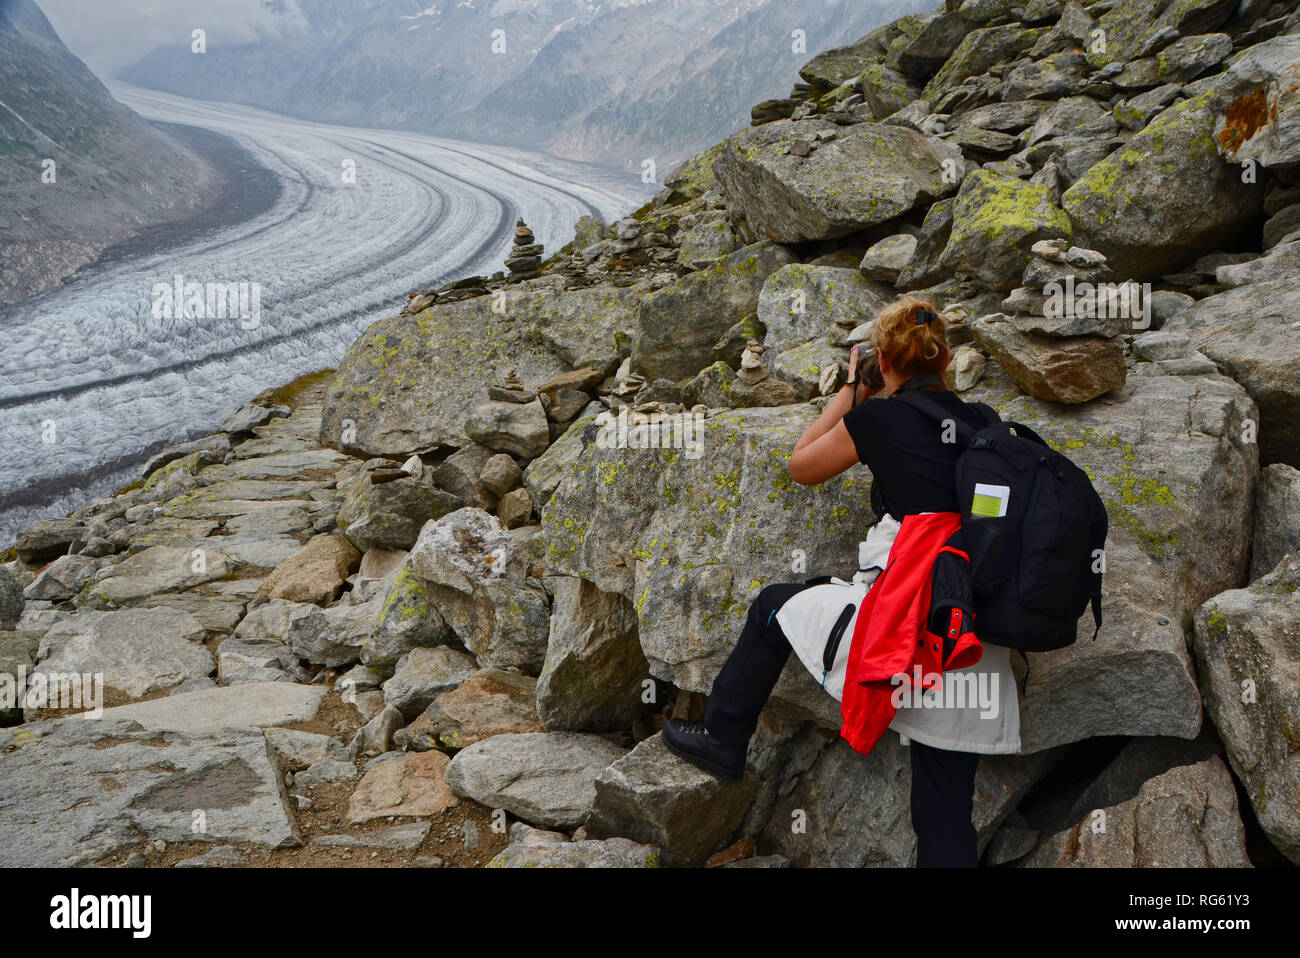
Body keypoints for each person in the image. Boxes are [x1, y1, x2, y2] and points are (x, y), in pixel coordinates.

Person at [661, 296, 1021, 867]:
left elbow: (801, 464)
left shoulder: (878, 418)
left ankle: (724, 740)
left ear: (881, 358)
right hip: (971, 632)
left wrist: (853, 392)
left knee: (775, 605)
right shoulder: (983, 421)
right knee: (944, 809)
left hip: (906, 625)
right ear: (946, 357)